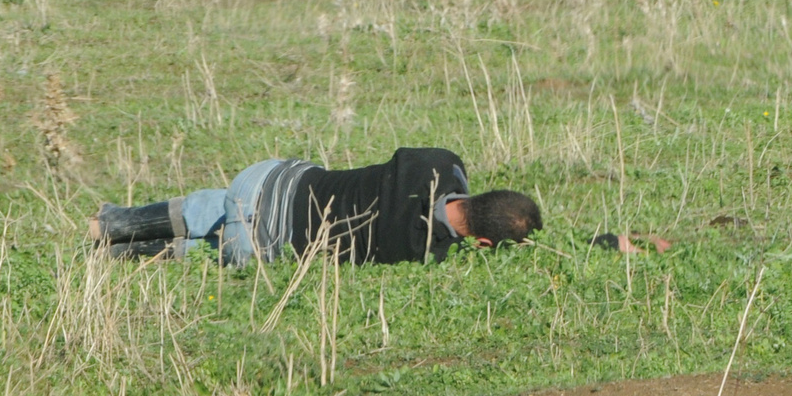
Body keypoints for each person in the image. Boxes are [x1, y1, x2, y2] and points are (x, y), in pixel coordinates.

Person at [90, 148, 541, 265]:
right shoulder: (424, 251)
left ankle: (115, 223)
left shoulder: (440, 163)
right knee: (221, 249)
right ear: (482, 242)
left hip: (269, 181)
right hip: (262, 243)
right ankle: (122, 255)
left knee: (213, 205)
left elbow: (441, 173)